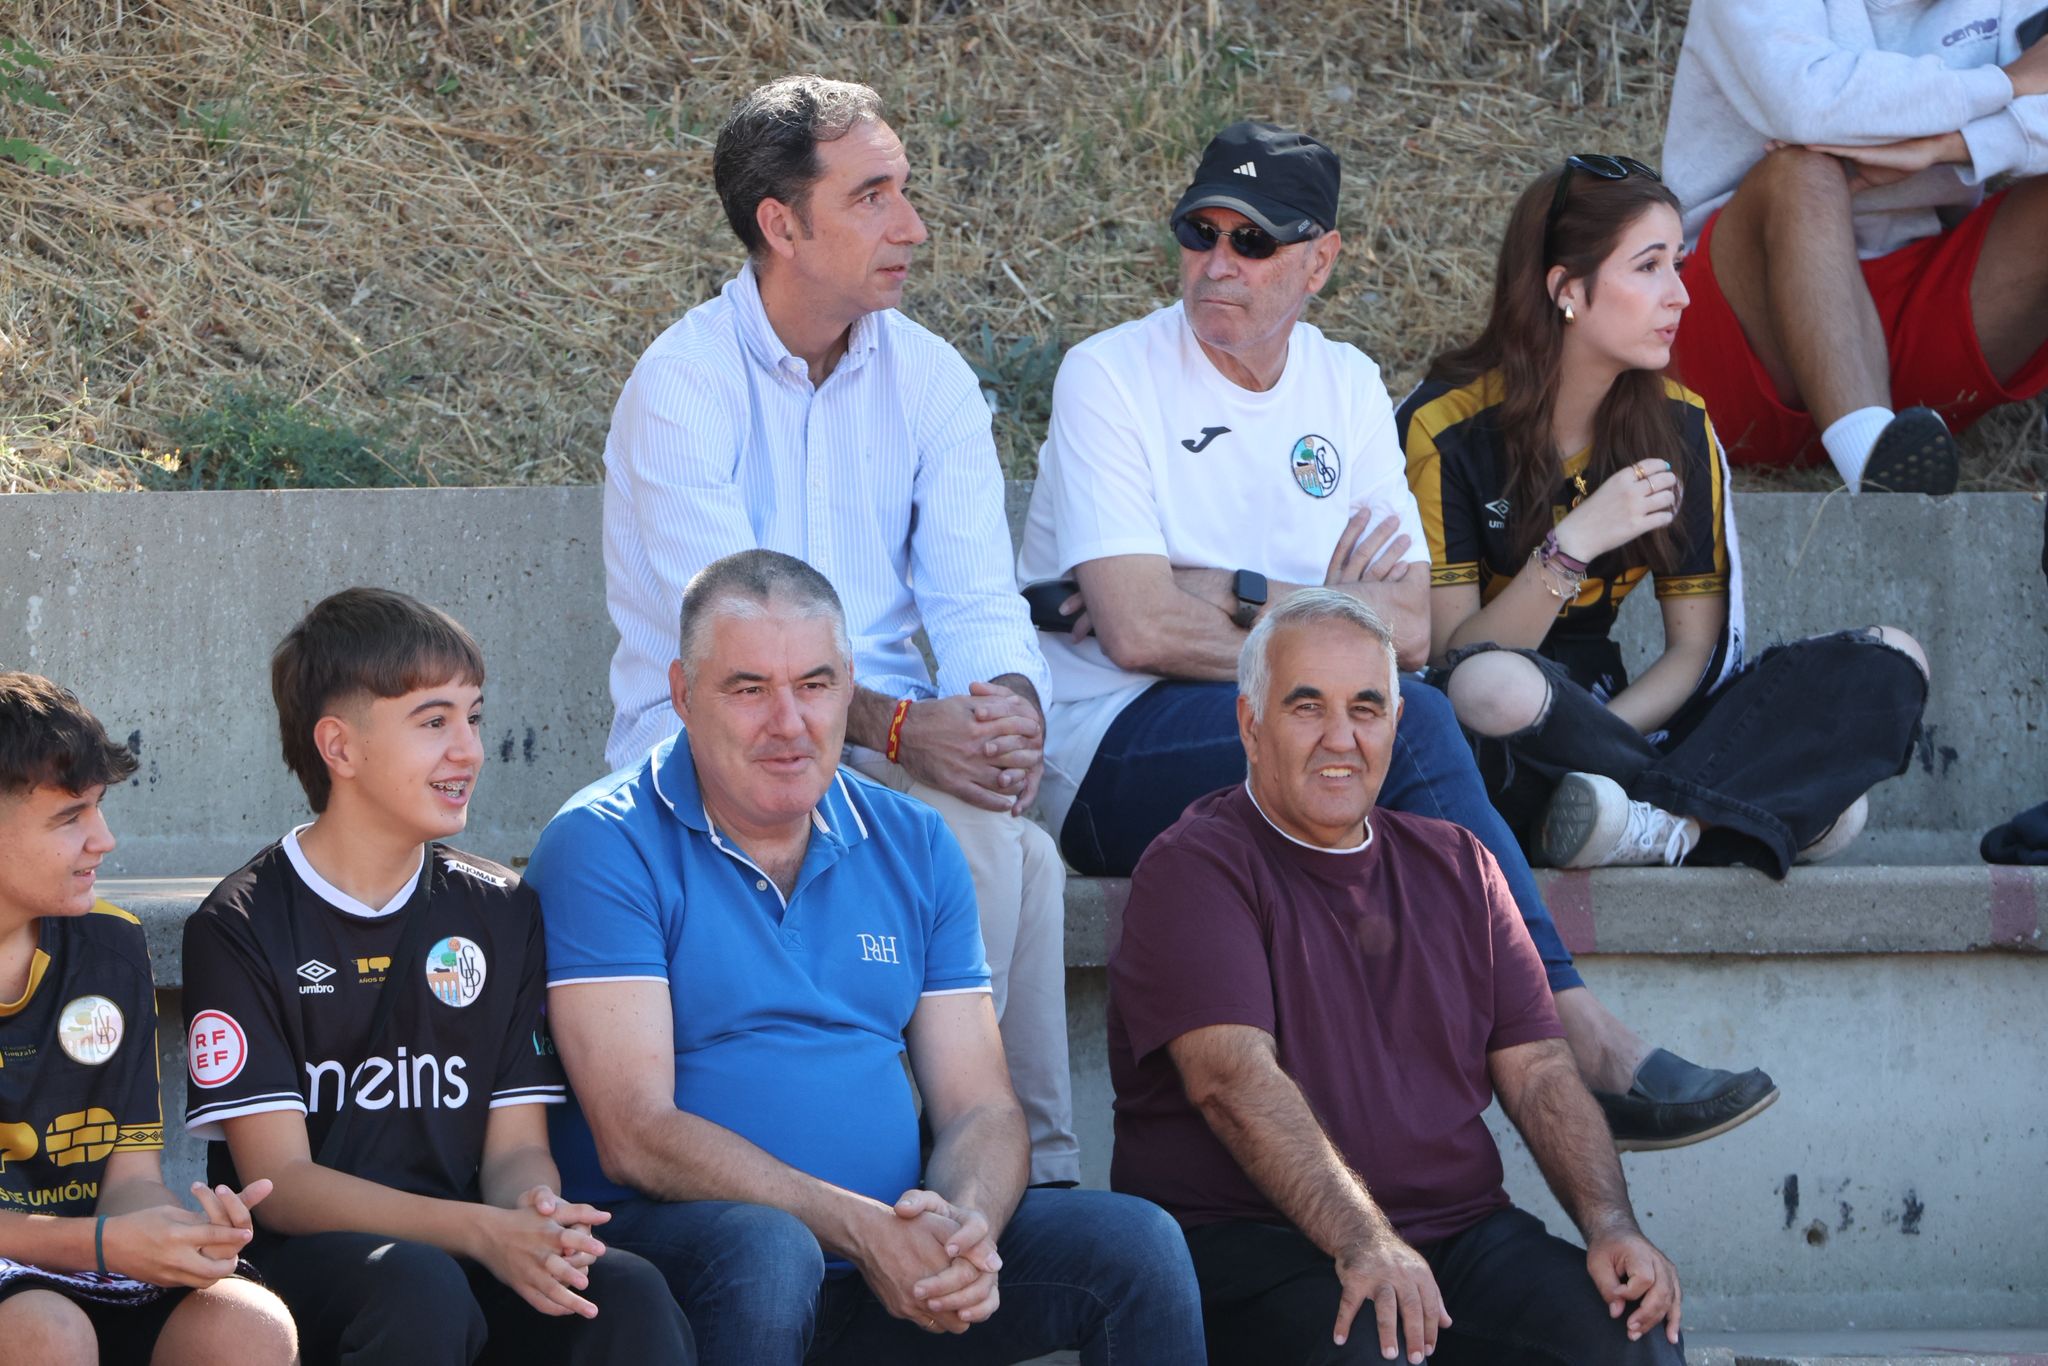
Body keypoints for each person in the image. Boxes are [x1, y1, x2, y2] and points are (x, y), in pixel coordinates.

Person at [1014, 119, 1773, 1150]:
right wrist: (1317, 614)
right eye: (1199, 232)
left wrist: (1230, 588)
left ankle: (1449, 1152)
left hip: (1286, 733)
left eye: (1254, 241)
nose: (1216, 263)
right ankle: (1574, 1038)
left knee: (1391, 745)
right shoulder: (1110, 376)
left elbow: (1411, 627)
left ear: (1318, 260)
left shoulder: (1344, 385)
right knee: (1407, 728)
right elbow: (1140, 630)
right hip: (1108, 743)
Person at [526, 549, 1206, 1366]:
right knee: (771, 1253)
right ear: (681, 694)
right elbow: (637, 1133)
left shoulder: (911, 841)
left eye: (813, 685)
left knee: (1133, 1247)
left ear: (848, 685)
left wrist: (964, 1227)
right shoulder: (605, 843)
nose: (789, 721)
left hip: (884, 1256)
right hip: (690, 1262)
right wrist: (858, 1226)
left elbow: (981, 1108)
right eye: (748, 689)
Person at [600, 73, 1076, 1186]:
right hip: (717, 748)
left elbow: (975, 599)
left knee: (1027, 853)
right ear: (781, 224)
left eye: (903, 191)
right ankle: (978, 1160)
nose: (909, 225)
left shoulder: (932, 378)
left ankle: (1027, 1170)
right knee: (989, 851)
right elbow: (734, 662)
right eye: (871, 196)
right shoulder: (681, 386)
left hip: (895, 755)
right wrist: (909, 731)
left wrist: (1000, 712)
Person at [1108, 591, 1685, 1366]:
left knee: (1625, 1337)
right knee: (1370, 1352)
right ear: (1250, 725)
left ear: (1396, 725)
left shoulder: (1461, 865)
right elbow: (1233, 1083)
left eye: (1367, 708)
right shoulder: (1195, 867)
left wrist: (1611, 1225)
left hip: (1458, 1236)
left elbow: (1541, 1071)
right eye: (1306, 707)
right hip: (1261, 1250)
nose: (1340, 738)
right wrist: (1365, 1240)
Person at [180, 589, 694, 1366]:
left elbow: (516, 1146)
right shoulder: (240, 924)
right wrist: (483, 1233)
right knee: (417, 1286)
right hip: (309, 1267)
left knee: (622, 1293)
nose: (470, 750)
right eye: (434, 722)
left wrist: (534, 1215)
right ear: (340, 748)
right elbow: (280, 1182)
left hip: (463, 1246)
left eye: (474, 717)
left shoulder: (502, 910)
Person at [1400, 158, 1931, 879]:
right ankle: (1723, 814)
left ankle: (1650, 818)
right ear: (1565, 290)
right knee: (1492, 687)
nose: (1681, 296)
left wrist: (1605, 740)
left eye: (1677, 265)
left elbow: (1698, 655)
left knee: (1890, 658)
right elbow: (1450, 658)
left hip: (1624, 720)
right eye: (1649, 267)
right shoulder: (1443, 427)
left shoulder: (1681, 426)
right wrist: (1573, 545)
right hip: (1502, 732)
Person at [0, 672, 296, 1366]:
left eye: (98, 809)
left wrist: (174, 1232)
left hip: (84, 1261)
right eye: (69, 817)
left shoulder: (111, 945)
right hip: (49, 1284)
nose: (103, 839)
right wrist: (102, 1245)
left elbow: (128, 1178)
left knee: (247, 1324)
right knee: (48, 1331)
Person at [1663, 0, 2048, 490]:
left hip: (1919, 320)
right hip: (1749, 329)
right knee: (1801, 171)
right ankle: (1874, 470)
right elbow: (1807, 102)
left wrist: (1952, 145)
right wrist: (2008, 82)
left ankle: (1891, 448)